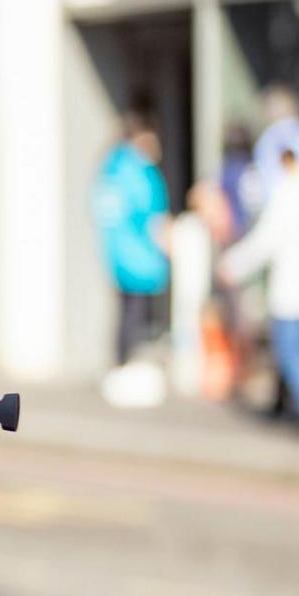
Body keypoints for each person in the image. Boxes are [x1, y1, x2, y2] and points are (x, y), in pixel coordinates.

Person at [220, 147, 299, 430]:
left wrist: (233, 265)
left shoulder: (290, 194)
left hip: (294, 288)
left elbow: (266, 239)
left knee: (293, 351)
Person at [91, 111, 171, 404]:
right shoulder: (140, 171)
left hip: (116, 255)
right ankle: (131, 374)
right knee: (137, 318)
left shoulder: (110, 167)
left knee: (124, 317)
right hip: (140, 257)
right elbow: (154, 218)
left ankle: (119, 368)